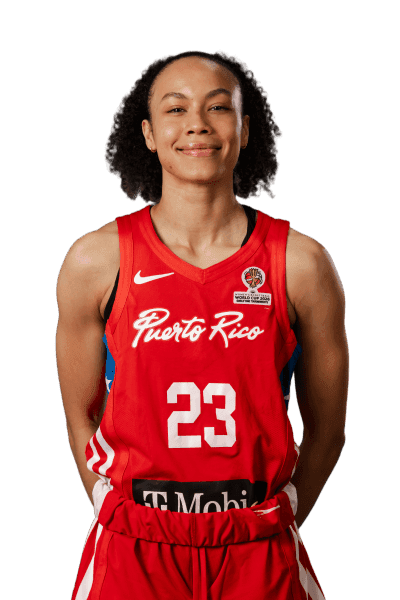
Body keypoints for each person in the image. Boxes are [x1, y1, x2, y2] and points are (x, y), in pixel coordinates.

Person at [55, 49, 349, 600]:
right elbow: (80, 416)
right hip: (134, 543)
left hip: (256, 543)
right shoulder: (95, 260)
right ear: (147, 134)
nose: (197, 124)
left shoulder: (301, 263)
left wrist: (270, 522)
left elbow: (328, 432)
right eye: (176, 108)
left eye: (217, 107)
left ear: (244, 130)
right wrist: (111, 507)